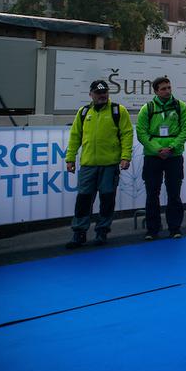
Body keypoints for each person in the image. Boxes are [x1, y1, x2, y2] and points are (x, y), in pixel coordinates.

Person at [65, 80, 134, 248]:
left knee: (107, 199)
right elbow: (75, 136)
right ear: (91, 94)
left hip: (110, 165)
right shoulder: (83, 112)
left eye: (105, 92)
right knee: (83, 200)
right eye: (98, 93)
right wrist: (70, 158)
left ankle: (102, 231)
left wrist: (126, 157)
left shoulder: (118, 110)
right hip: (88, 165)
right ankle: (79, 233)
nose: (102, 95)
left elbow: (127, 134)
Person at [136, 76, 186, 240]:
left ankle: (175, 228)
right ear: (155, 91)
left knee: (174, 193)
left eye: (169, 87)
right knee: (152, 193)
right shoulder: (147, 109)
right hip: (153, 157)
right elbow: (141, 133)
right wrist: (157, 149)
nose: (167, 91)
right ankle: (152, 229)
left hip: (174, 156)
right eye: (163, 89)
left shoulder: (181, 107)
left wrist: (172, 147)